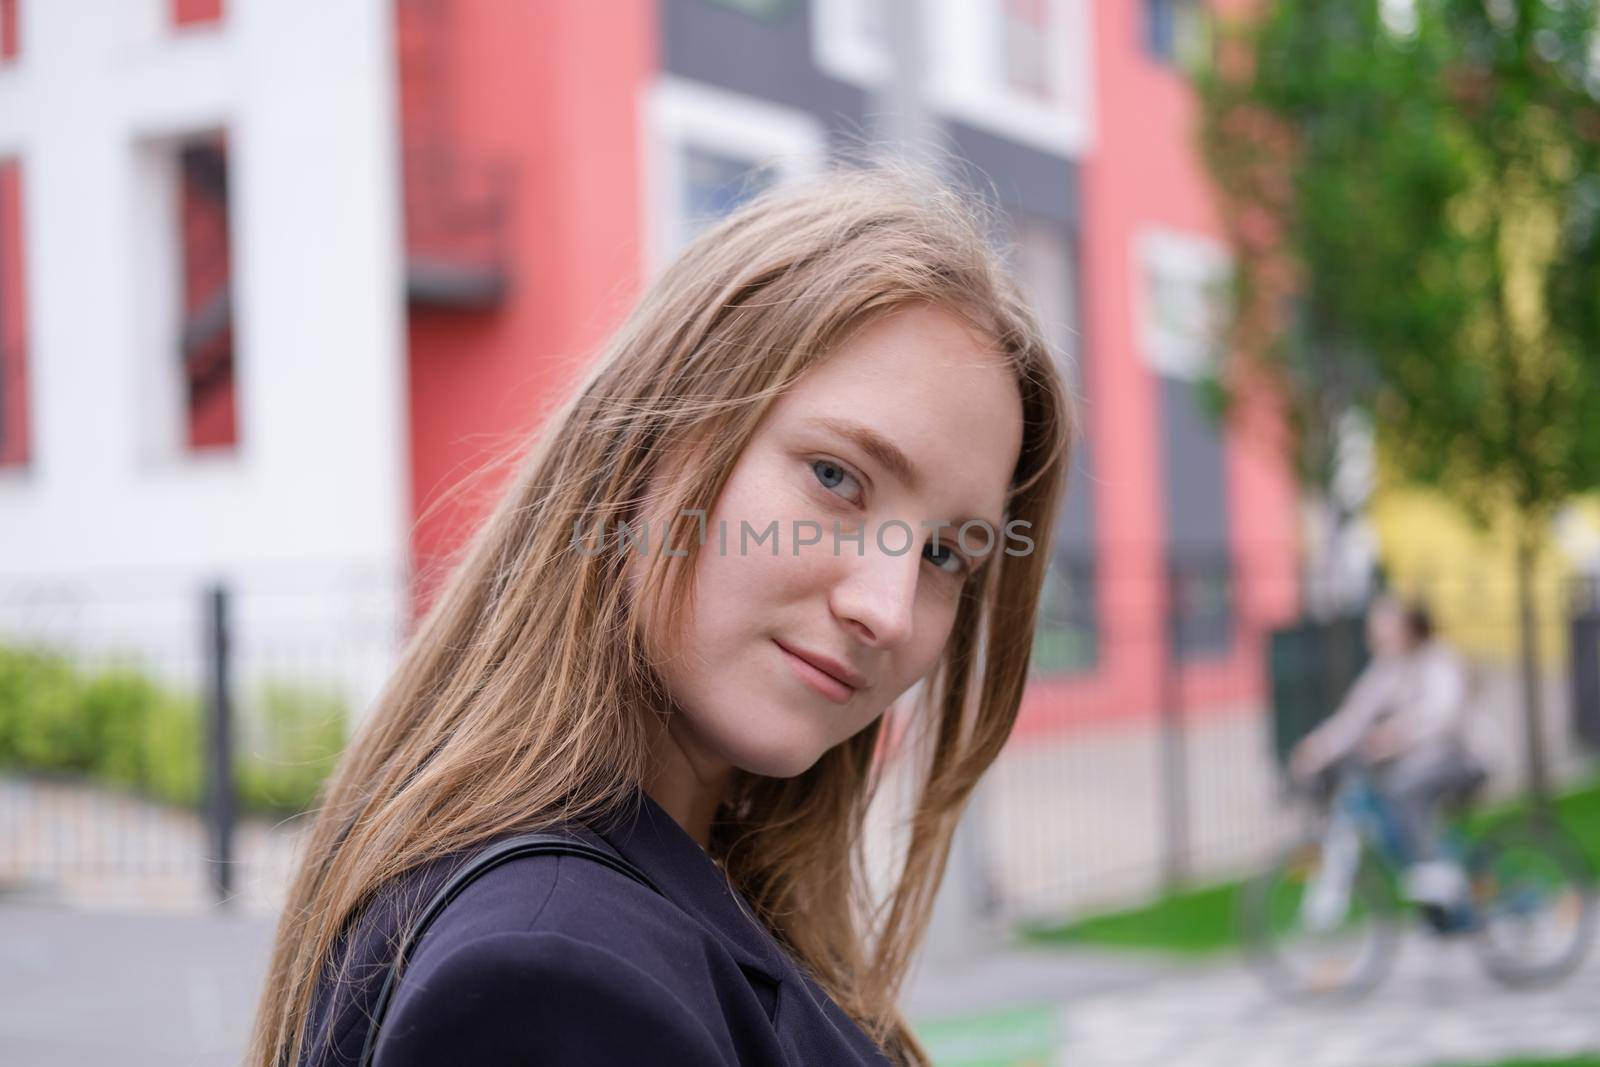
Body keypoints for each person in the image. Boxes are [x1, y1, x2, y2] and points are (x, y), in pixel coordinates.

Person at [246, 162, 1075, 1067]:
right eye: (836, 478)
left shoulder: (673, 890)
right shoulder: (553, 984)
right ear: (647, 444)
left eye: (946, 553)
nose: (888, 608)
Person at [1289, 594, 1485, 906]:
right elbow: (1353, 718)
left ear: (1408, 627)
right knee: (1391, 796)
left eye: (1385, 623)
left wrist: (1394, 734)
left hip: (1463, 757)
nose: (1377, 631)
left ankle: (1437, 874)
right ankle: (1431, 880)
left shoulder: (1438, 659)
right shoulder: (1388, 668)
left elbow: (1441, 714)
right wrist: (1317, 748)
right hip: (1420, 762)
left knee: (1402, 791)